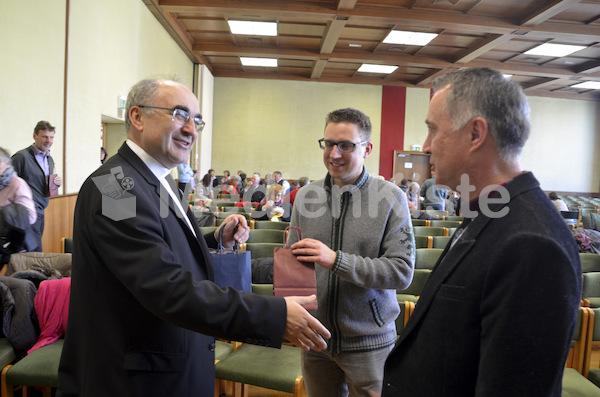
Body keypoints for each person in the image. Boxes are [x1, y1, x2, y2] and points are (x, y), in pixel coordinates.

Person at [57, 78, 330, 397]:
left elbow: (159, 241)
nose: (191, 130)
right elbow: (164, 285)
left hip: (171, 364)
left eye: (196, 120)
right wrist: (274, 314)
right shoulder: (114, 186)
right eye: (179, 114)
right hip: (134, 379)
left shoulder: (159, 178)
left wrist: (217, 238)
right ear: (137, 117)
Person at [382, 67, 581, 396]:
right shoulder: (491, 212)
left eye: (433, 130)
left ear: (475, 134)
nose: (427, 146)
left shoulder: (531, 243)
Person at [289, 107, 415, 396]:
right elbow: (294, 262)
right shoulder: (306, 196)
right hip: (315, 339)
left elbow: (402, 272)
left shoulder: (391, 198)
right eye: (329, 143)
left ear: (367, 148)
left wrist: (336, 260)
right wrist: (295, 316)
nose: (334, 154)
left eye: (345, 145)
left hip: (369, 344)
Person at [12, 120, 63, 251]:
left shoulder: (49, 159)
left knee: (34, 252)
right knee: (33, 254)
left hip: (41, 211)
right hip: (25, 213)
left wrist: (56, 183)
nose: (48, 140)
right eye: (45, 136)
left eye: (51, 137)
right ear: (35, 136)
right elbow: (8, 184)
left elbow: (41, 182)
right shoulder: (21, 157)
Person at [0, 147, 37, 261]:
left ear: (8, 164)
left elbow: (30, 216)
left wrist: (3, 214)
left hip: (16, 247)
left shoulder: (17, 184)